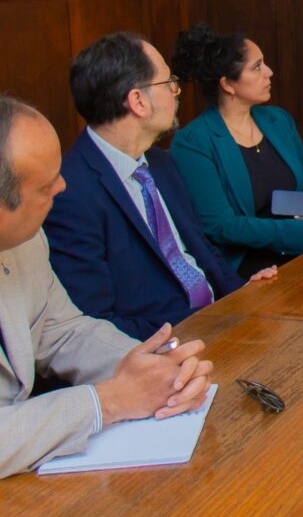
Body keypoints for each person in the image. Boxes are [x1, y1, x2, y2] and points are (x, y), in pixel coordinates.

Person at [0, 95, 213, 479]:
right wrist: (105, 402)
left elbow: (62, 329)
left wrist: (150, 367)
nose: (64, 186)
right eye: (46, 186)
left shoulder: (26, 240)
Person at [43, 32, 277, 341]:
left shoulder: (161, 162)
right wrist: (205, 326)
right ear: (138, 101)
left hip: (220, 323)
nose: (176, 93)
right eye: (169, 84)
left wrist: (241, 293)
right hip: (164, 348)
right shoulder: (70, 192)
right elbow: (95, 324)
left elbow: (200, 250)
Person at [169, 24, 303, 278]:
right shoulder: (193, 142)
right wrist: (302, 232)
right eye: (257, 67)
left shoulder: (278, 120)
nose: (269, 72)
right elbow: (221, 226)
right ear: (228, 84)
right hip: (249, 265)